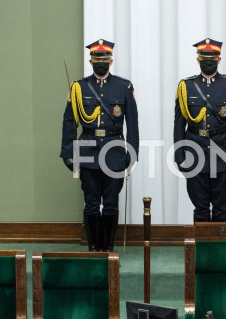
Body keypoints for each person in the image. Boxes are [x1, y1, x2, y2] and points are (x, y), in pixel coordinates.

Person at [60, 39, 139, 251]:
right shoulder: (79, 88)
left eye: (105, 59)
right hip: (87, 151)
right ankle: (94, 250)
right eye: (97, 59)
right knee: (92, 203)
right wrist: (68, 153)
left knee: (111, 202)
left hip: (114, 151)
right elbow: (69, 122)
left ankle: (108, 250)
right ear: (90, 61)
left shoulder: (124, 86)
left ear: (111, 61)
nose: (101, 62)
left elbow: (132, 122)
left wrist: (132, 153)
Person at [174, 38, 226, 223]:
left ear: (219, 59)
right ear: (198, 59)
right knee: (200, 209)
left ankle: (219, 251)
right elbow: (178, 124)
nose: (208, 61)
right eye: (204, 57)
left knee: (221, 208)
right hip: (195, 154)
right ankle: (201, 252)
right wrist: (180, 156)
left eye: (212, 57)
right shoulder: (185, 86)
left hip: (224, 153)